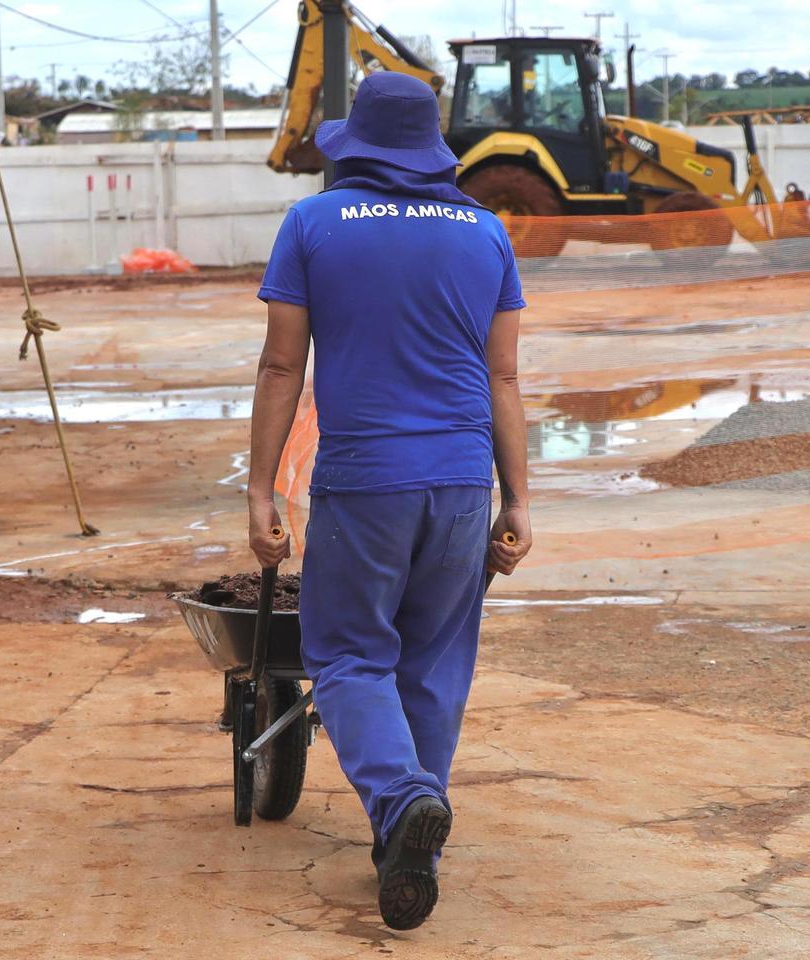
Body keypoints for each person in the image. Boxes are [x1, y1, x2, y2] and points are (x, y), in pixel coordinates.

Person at [247, 71, 533, 931]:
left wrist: (261, 488)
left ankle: (405, 797)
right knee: (433, 663)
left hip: (365, 481)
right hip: (457, 483)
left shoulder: (313, 224)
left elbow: (280, 367)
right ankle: (412, 845)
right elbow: (505, 376)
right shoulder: (485, 235)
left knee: (345, 658)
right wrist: (518, 498)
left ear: (355, 146)